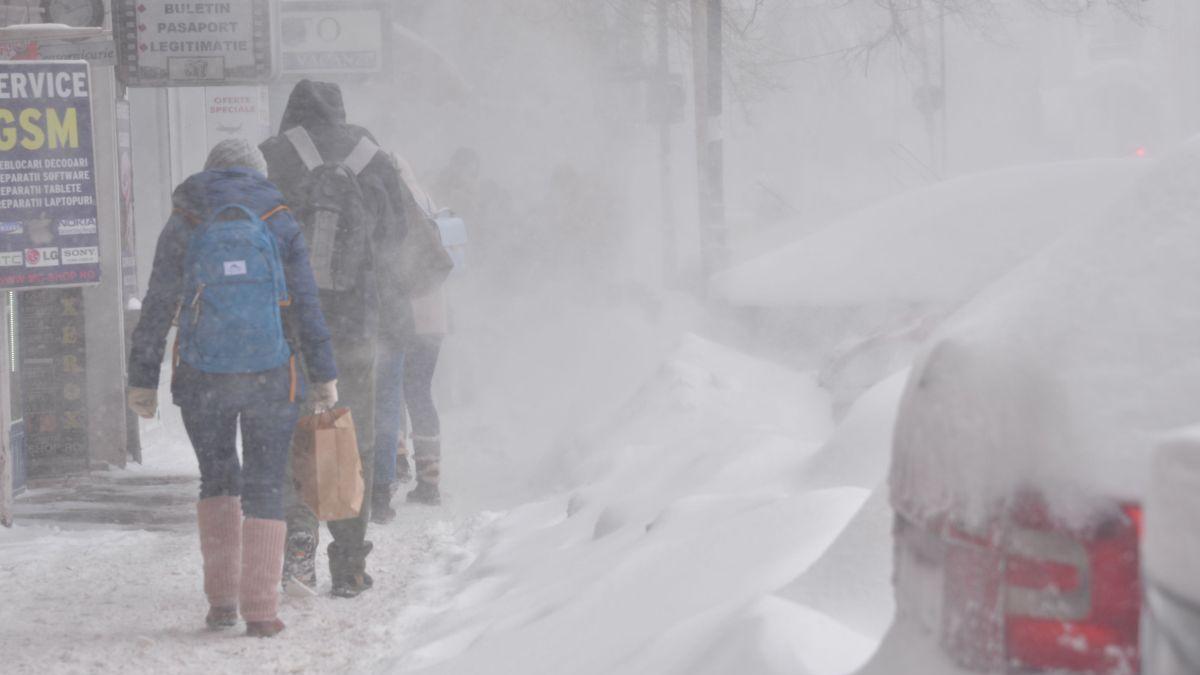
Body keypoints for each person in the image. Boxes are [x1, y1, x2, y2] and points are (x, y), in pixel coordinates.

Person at [126, 138, 338, 638]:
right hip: (272, 372)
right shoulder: (280, 218)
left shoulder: (186, 216)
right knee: (265, 484)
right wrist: (324, 373)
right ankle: (261, 610)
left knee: (218, 479)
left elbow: (158, 302)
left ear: (211, 171)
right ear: (257, 174)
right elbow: (306, 304)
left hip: (202, 373)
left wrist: (142, 377)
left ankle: (221, 602)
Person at [260, 80, 412, 597]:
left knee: (295, 433)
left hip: (289, 327)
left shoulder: (275, 155)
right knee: (352, 437)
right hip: (355, 324)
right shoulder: (371, 153)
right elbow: (398, 236)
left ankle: (298, 546)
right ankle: (348, 563)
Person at [372, 155, 448, 521]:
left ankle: (396, 462)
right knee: (419, 391)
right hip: (434, 314)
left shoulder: (388, 206)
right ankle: (430, 480)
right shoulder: (427, 204)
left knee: (390, 388)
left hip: (402, 311)